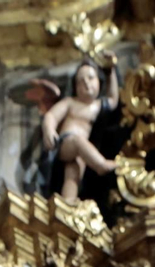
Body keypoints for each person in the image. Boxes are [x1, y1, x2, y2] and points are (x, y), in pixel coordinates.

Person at [41, 58, 119, 203]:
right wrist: (49, 130)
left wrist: (111, 70)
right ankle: (101, 165)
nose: (86, 83)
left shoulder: (97, 106)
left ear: (99, 81)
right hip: (67, 142)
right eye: (80, 81)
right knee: (78, 141)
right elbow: (51, 115)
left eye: (90, 78)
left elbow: (113, 99)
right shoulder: (70, 102)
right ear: (75, 86)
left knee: (73, 173)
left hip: (81, 153)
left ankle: (68, 204)